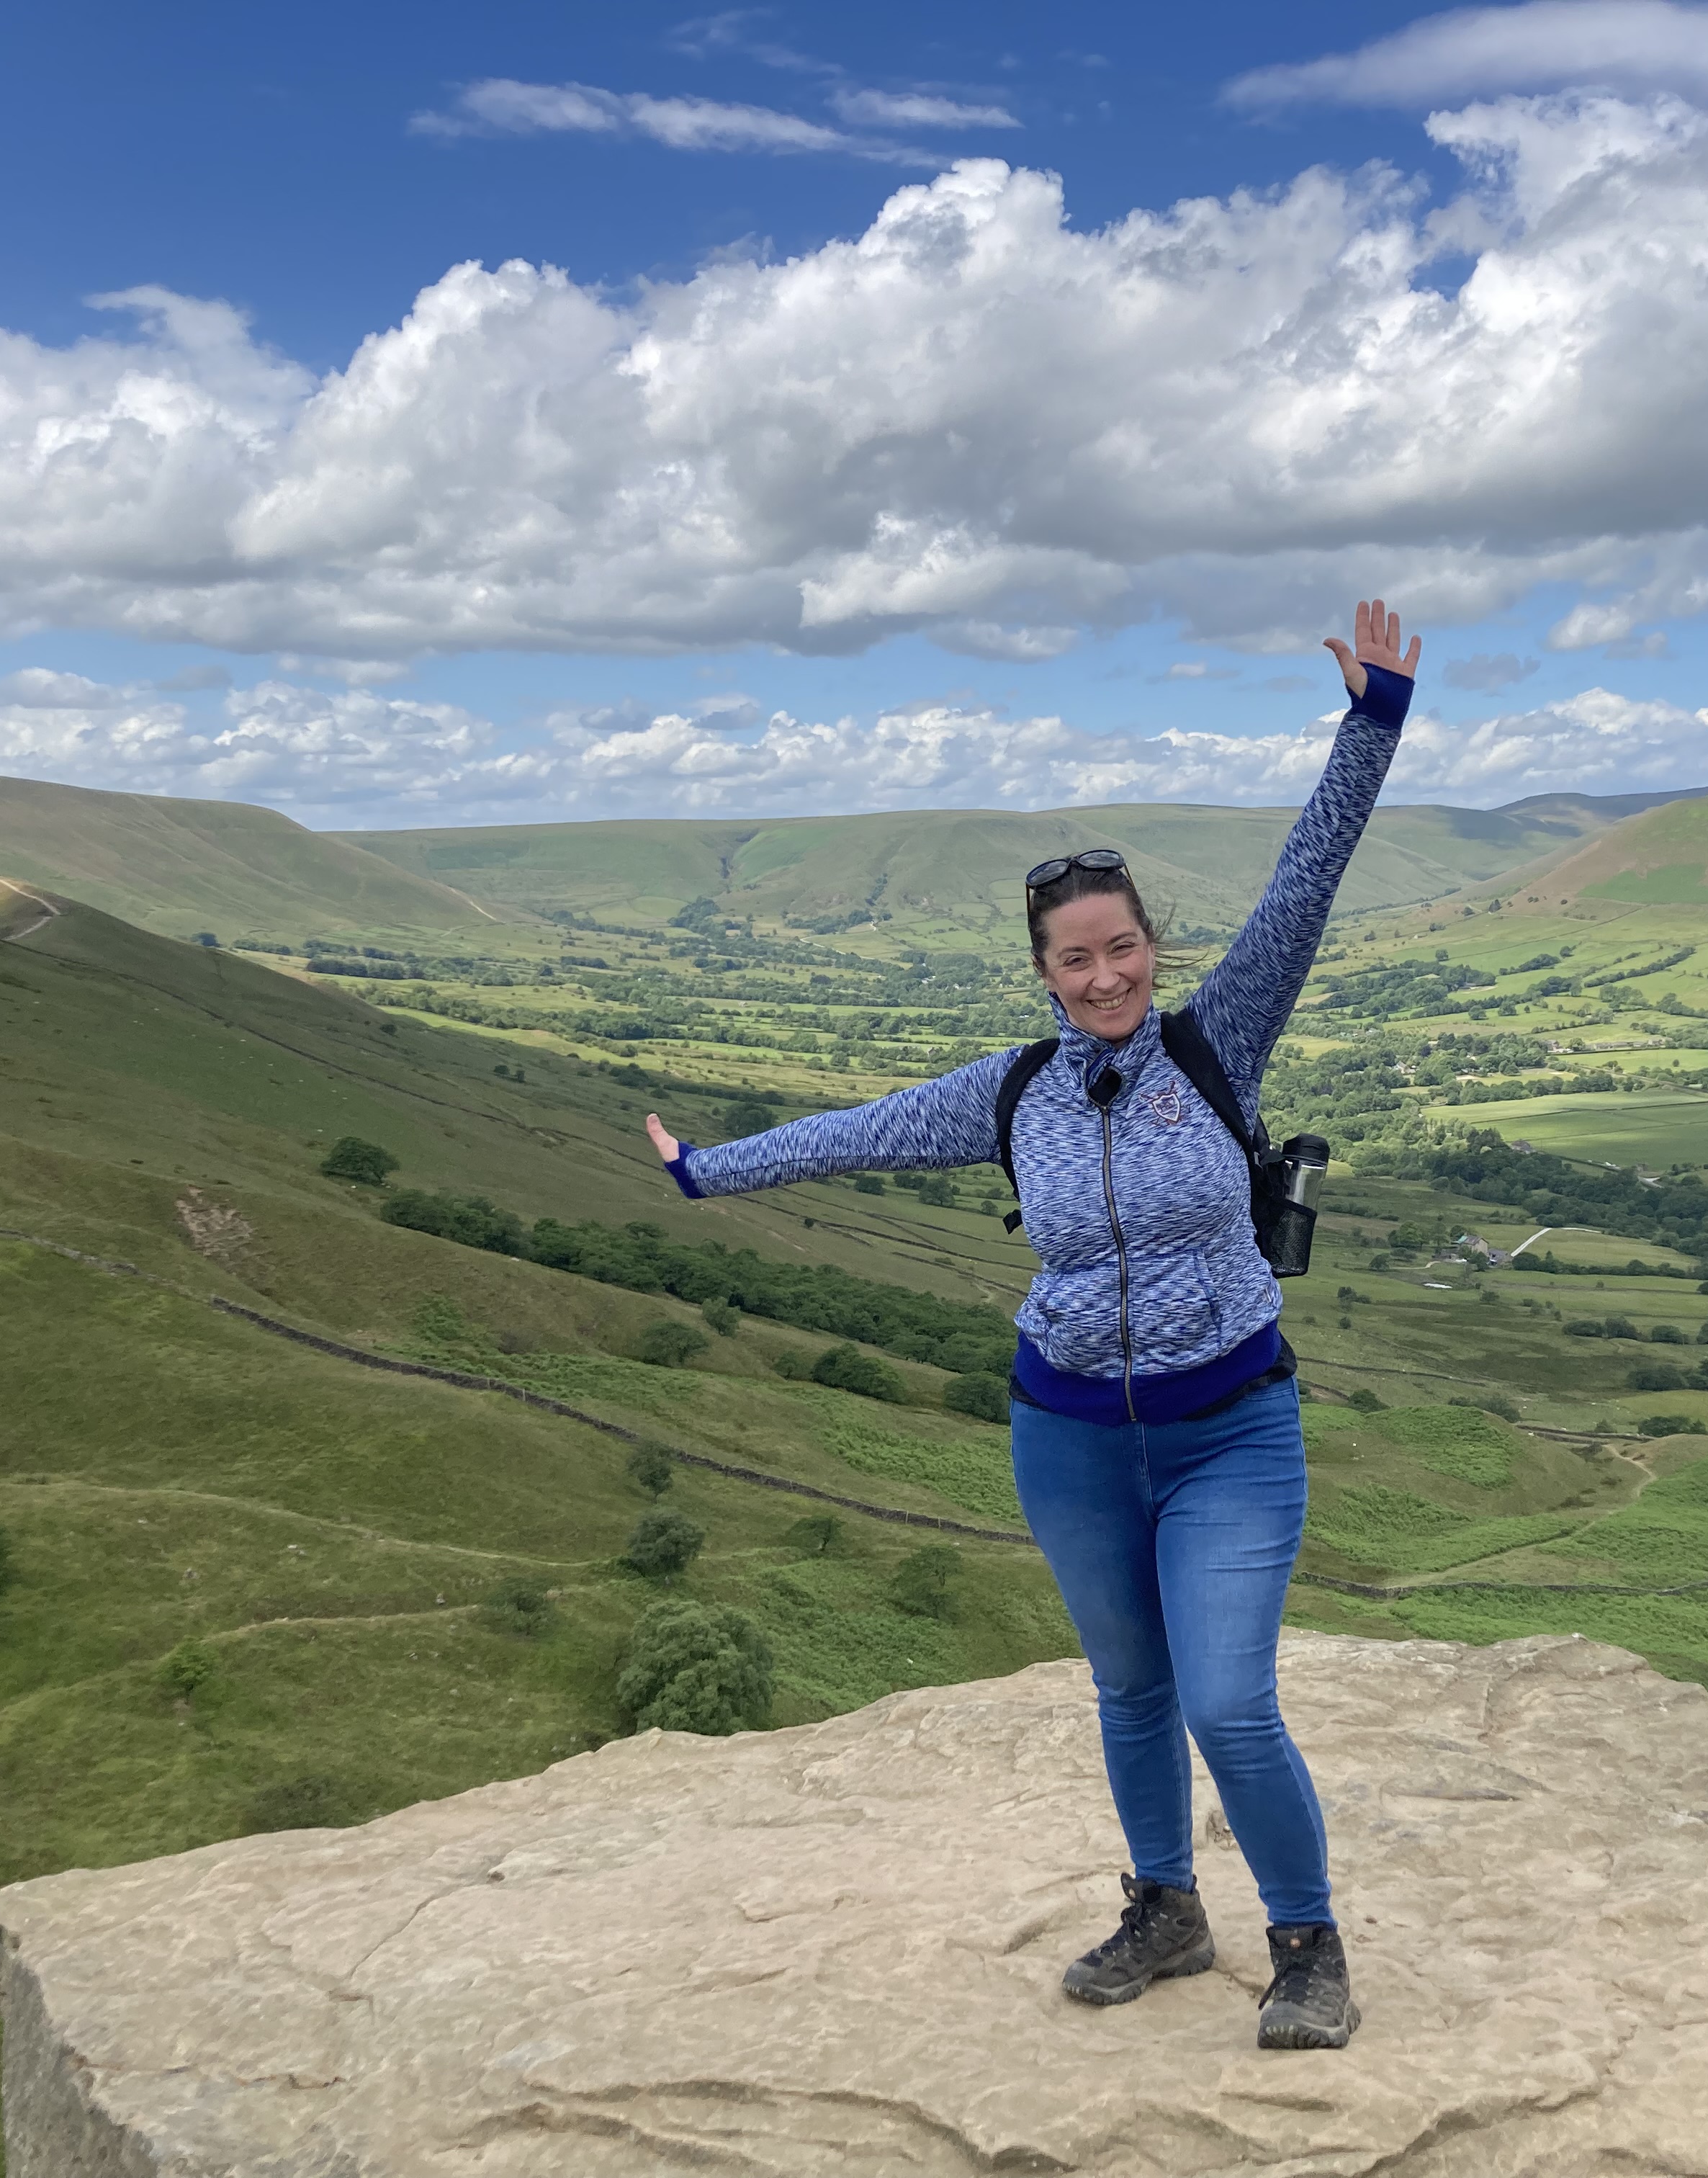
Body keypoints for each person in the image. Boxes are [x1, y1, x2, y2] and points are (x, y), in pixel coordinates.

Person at [646, 600, 1421, 2051]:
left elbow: (1306, 887)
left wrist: (1372, 723)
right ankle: (1166, 1911)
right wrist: (707, 1172)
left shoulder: (1218, 1038)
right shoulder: (1013, 1095)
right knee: (1132, 1687)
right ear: (1044, 972)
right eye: (1077, 960)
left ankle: (1309, 1945)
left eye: (1123, 948)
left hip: (1231, 1432)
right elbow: (853, 1135)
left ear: (1148, 945)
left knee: (1231, 1699)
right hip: (1068, 1435)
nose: (1108, 977)